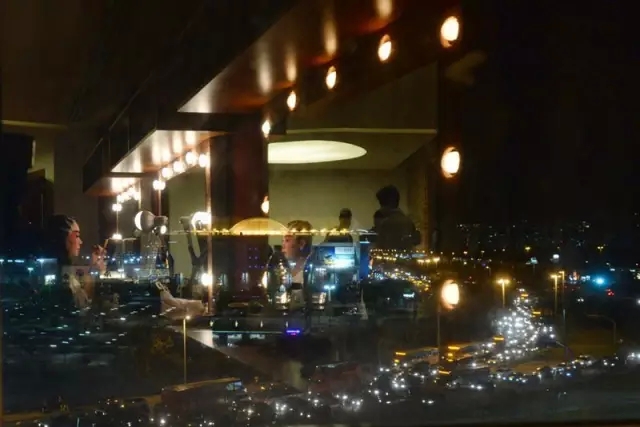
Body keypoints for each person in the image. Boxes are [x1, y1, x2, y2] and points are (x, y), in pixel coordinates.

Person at [47, 215, 106, 310]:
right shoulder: (60, 275)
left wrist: (93, 267)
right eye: (77, 236)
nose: (81, 241)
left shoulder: (63, 270)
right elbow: (81, 305)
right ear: (63, 237)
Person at [374, 185, 421, 250]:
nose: (381, 208)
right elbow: (416, 241)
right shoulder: (408, 221)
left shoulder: (387, 223)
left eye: (381, 203)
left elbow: (381, 246)